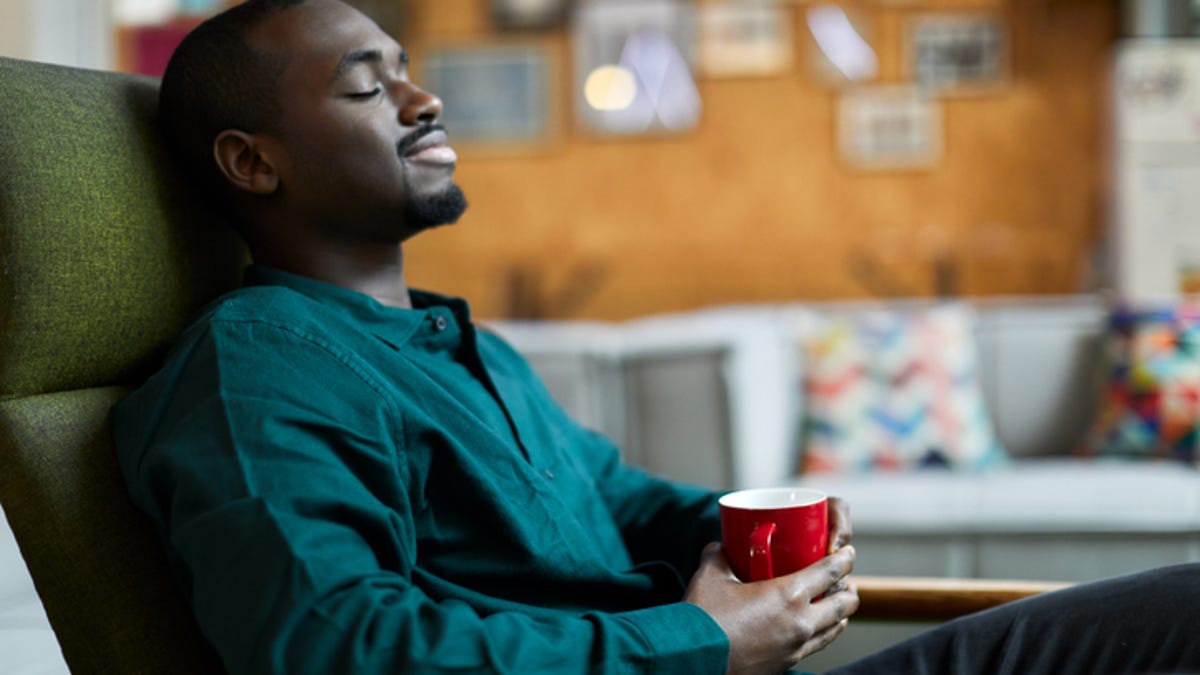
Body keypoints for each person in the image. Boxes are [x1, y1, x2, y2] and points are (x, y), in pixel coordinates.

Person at [113, 1, 1200, 674]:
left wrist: (775, 538)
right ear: (253, 163)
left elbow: (614, 501)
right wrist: (704, 644)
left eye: (407, 66)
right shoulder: (256, 368)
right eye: (368, 84)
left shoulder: (462, 347)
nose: (422, 95)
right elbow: (335, 647)